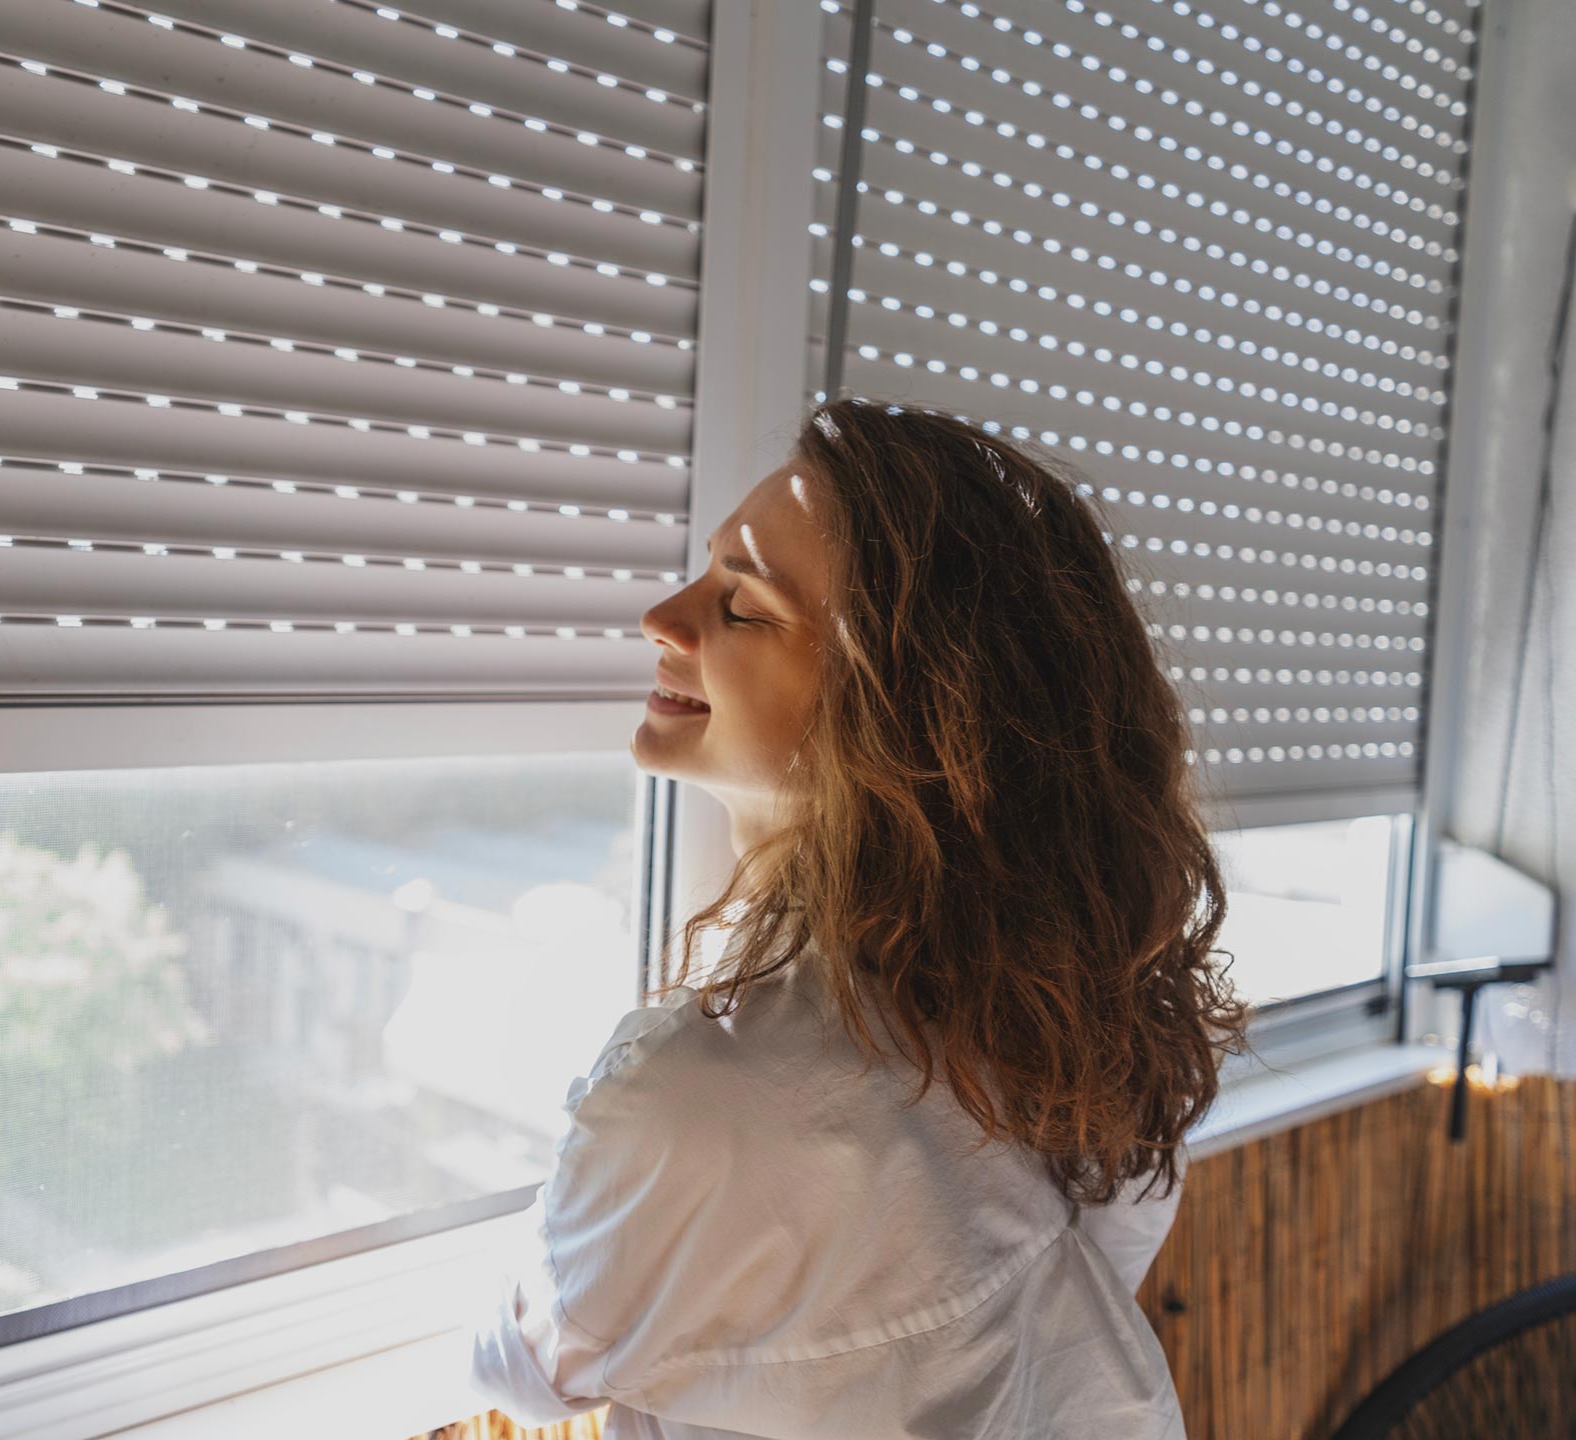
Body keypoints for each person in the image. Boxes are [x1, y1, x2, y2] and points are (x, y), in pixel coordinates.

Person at [466, 396, 1249, 1438]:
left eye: (741, 607)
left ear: (903, 712)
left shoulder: (706, 1095)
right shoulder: (1085, 1020)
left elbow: (522, 1367)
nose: (665, 616)